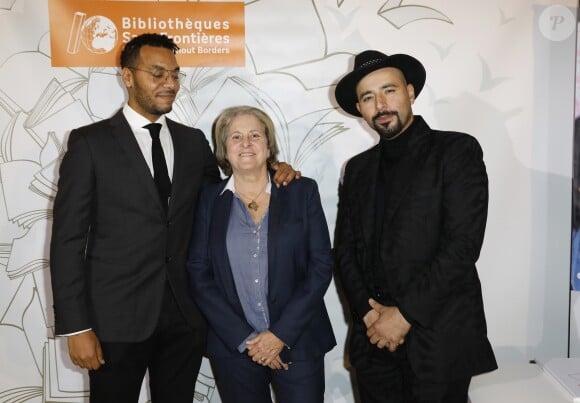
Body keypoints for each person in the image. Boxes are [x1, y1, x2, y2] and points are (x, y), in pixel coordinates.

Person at [49, 34, 297, 403]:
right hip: (115, 321)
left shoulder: (192, 141)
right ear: (128, 77)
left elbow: (224, 198)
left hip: (185, 318)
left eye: (175, 75)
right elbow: (68, 240)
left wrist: (273, 168)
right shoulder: (90, 143)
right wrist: (76, 327)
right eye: (158, 73)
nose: (170, 83)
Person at [333, 50, 497, 403]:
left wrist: (404, 316)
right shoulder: (356, 169)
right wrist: (369, 313)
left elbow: (462, 247)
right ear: (360, 109)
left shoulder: (456, 150)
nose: (380, 104)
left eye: (389, 90)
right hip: (373, 340)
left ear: (410, 92)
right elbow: (345, 251)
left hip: (438, 340)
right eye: (368, 97)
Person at [186, 105, 336, 403]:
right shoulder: (209, 200)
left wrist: (279, 335)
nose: (246, 143)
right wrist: (247, 340)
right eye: (236, 137)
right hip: (234, 348)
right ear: (224, 150)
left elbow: (320, 265)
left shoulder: (302, 191)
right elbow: (198, 271)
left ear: (269, 145)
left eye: (255, 135)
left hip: (299, 341)